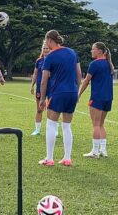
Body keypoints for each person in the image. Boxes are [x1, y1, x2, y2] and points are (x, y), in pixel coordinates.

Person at [38, 30, 82, 166]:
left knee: (51, 124)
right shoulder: (72, 52)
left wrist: (41, 99)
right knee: (67, 126)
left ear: (50, 40)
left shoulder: (50, 57)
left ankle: (49, 158)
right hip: (72, 92)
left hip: (58, 93)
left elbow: (44, 81)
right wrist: (77, 91)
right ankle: (67, 158)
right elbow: (79, 74)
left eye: (46, 41)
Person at [78, 42, 114, 158]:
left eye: (93, 49)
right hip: (108, 98)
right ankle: (103, 150)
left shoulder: (94, 64)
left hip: (97, 98)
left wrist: (78, 94)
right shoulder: (109, 64)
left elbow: (86, 81)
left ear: (99, 51)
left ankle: (94, 151)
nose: (91, 51)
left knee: (96, 125)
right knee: (101, 124)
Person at [30, 42, 51, 136]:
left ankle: (53, 130)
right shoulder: (39, 61)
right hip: (40, 87)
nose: (46, 50)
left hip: (51, 87)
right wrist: (32, 85)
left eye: (47, 48)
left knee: (52, 109)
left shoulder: (54, 60)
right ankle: (37, 130)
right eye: (44, 48)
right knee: (39, 109)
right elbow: (35, 74)